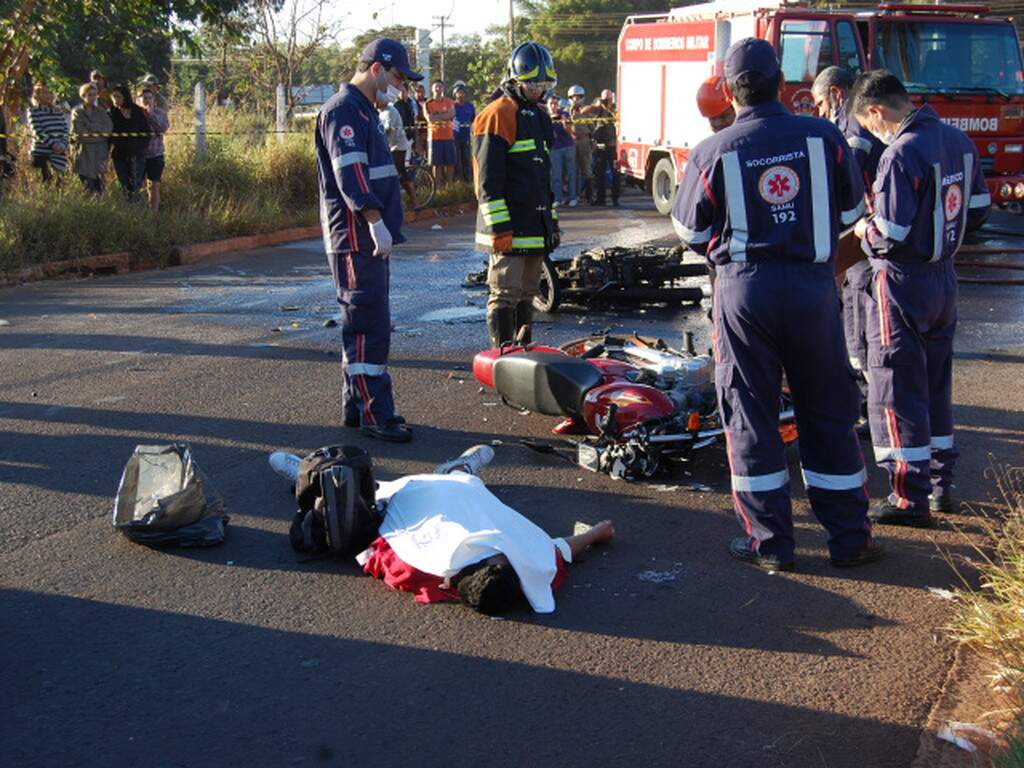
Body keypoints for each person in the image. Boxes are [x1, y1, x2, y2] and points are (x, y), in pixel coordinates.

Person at [671, 38, 880, 571]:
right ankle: (850, 539)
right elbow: (853, 210)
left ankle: (771, 544)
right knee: (828, 411)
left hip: (745, 295)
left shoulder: (711, 151)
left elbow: (689, 230)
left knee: (750, 414)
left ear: (727, 90)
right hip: (813, 289)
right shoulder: (824, 136)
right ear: (780, 83)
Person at [850, 70, 990, 526]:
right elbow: (979, 209)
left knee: (896, 386)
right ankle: (940, 485)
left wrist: (861, 230)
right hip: (944, 278)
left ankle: (907, 498)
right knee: (936, 386)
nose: (874, 135)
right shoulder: (958, 142)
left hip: (902, 281)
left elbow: (889, 234)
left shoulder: (900, 153)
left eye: (871, 126)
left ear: (876, 111)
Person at [315, 38, 422, 443]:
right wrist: (374, 219)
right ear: (377, 68)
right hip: (356, 236)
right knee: (367, 325)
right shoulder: (343, 112)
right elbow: (351, 175)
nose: (401, 88)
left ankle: (357, 409)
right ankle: (377, 414)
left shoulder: (362, 111)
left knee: (365, 321)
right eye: (398, 78)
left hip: (367, 237)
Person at [359, 452, 616, 614]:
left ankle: (457, 470)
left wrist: (599, 532)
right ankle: (457, 471)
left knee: (465, 486)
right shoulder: (531, 565)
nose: (505, 555)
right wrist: (597, 532)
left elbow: (375, 549)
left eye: (497, 560)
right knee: (469, 488)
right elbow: (561, 549)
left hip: (420, 494)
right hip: (441, 495)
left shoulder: (418, 568)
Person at [812, 66, 886, 436]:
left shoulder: (853, 132)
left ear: (838, 95)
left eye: (822, 103)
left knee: (862, 336)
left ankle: (876, 415)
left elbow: (845, 189)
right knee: (860, 336)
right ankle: (872, 410)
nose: (821, 113)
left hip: (862, 252)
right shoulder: (848, 129)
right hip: (864, 246)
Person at [471, 41, 560, 348]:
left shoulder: (538, 116)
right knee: (504, 293)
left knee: (528, 293)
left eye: (543, 84)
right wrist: (499, 228)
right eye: (532, 83)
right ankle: (502, 357)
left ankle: (523, 354)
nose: (537, 90)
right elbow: (488, 184)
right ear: (515, 79)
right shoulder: (496, 115)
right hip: (509, 226)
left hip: (535, 226)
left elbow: (543, 178)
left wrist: (552, 223)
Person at [70, 82, 113, 195]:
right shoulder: (77, 112)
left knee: (100, 188)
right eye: (89, 95)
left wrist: (91, 127)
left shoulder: (101, 112)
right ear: (83, 96)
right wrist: (98, 135)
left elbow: (108, 130)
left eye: (94, 95)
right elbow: (79, 134)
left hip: (99, 155)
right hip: (84, 154)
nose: (92, 97)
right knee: (87, 187)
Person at [108, 85, 149, 200]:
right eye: (114, 97)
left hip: (137, 153)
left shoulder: (137, 111)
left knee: (136, 184)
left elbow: (146, 132)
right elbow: (108, 134)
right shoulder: (111, 112)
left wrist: (142, 148)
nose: (116, 99)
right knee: (123, 184)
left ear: (125, 97)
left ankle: (137, 209)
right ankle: (127, 209)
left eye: (118, 96)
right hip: (119, 154)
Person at [377, 91, 417, 204]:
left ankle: (414, 200)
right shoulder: (380, 112)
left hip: (398, 146)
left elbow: (388, 131)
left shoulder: (391, 111)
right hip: (389, 146)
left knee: (400, 172)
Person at [27, 85, 68, 183]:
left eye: (50, 93)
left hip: (59, 155)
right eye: (45, 93)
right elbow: (38, 131)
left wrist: (63, 144)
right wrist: (53, 144)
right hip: (41, 154)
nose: (48, 95)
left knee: (59, 186)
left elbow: (65, 131)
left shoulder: (59, 111)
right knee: (44, 184)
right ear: (38, 95)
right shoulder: (34, 111)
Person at [586, 89, 619, 206]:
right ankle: (601, 199)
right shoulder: (597, 109)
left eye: (608, 99)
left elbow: (618, 117)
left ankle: (615, 198)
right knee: (600, 174)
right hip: (600, 146)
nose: (606, 101)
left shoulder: (615, 109)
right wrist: (596, 105)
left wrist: (609, 108)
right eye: (604, 99)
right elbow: (584, 111)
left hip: (613, 147)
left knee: (615, 173)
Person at [139, 88, 169, 212]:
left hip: (156, 154)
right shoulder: (135, 114)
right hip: (139, 155)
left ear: (153, 100)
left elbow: (162, 129)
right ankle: (138, 213)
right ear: (138, 99)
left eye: (149, 97)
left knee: (154, 186)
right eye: (144, 98)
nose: (147, 100)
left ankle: (153, 215)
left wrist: (151, 115)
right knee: (138, 186)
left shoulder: (160, 113)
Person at [546, 93, 577, 207]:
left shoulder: (564, 114)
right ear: (547, 105)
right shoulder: (545, 117)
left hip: (568, 146)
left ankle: (572, 197)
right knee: (556, 175)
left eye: (555, 104)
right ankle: (557, 199)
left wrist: (565, 123)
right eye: (551, 104)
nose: (554, 106)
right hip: (554, 148)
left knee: (570, 173)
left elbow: (571, 133)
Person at [425, 79, 456, 186]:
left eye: (440, 86)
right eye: (436, 86)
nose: (438, 88)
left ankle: (450, 186)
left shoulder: (449, 101)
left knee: (450, 163)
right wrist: (444, 115)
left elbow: (451, 115)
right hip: (434, 137)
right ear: (432, 88)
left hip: (448, 137)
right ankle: (437, 187)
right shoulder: (428, 104)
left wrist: (438, 116)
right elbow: (430, 119)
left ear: (443, 88)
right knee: (436, 164)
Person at [567, 84, 593, 203]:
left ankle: (589, 196)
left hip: (584, 140)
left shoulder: (586, 110)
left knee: (586, 169)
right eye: (573, 97)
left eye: (578, 96)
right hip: (571, 141)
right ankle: (574, 195)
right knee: (573, 170)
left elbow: (592, 126)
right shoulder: (567, 110)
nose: (576, 99)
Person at [451, 81, 476, 183]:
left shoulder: (470, 106)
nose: (461, 94)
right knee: (456, 160)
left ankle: (468, 180)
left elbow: (474, 119)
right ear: (455, 94)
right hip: (455, 137)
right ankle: (458, 180)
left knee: (466, 159)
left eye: (462, 92)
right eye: (458, 92)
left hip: (466, 137)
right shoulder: (452, 105)